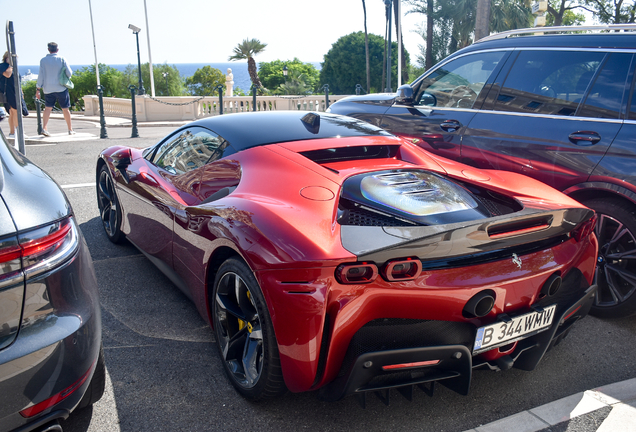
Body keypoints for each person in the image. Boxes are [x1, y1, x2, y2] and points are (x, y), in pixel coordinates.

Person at [35, 42, 75, 136]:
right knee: (65, 109)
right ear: (57, 49)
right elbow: (69, 73)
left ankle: (44, 128)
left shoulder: (43, 60)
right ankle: (70, 129)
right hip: (61, 87)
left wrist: (38, 89)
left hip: (48, 88)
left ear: (48, 49)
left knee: (47, 108)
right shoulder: (62, 59)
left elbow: (41, 75)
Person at [0, 51, 19, 138]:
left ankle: (13, 132)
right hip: (8, 92)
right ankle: (18, 131)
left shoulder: (13, 67)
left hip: (14, 91)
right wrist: (10, 65)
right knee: (14, 111)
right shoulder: (3, 66)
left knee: (12, 112)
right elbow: (7, 75)